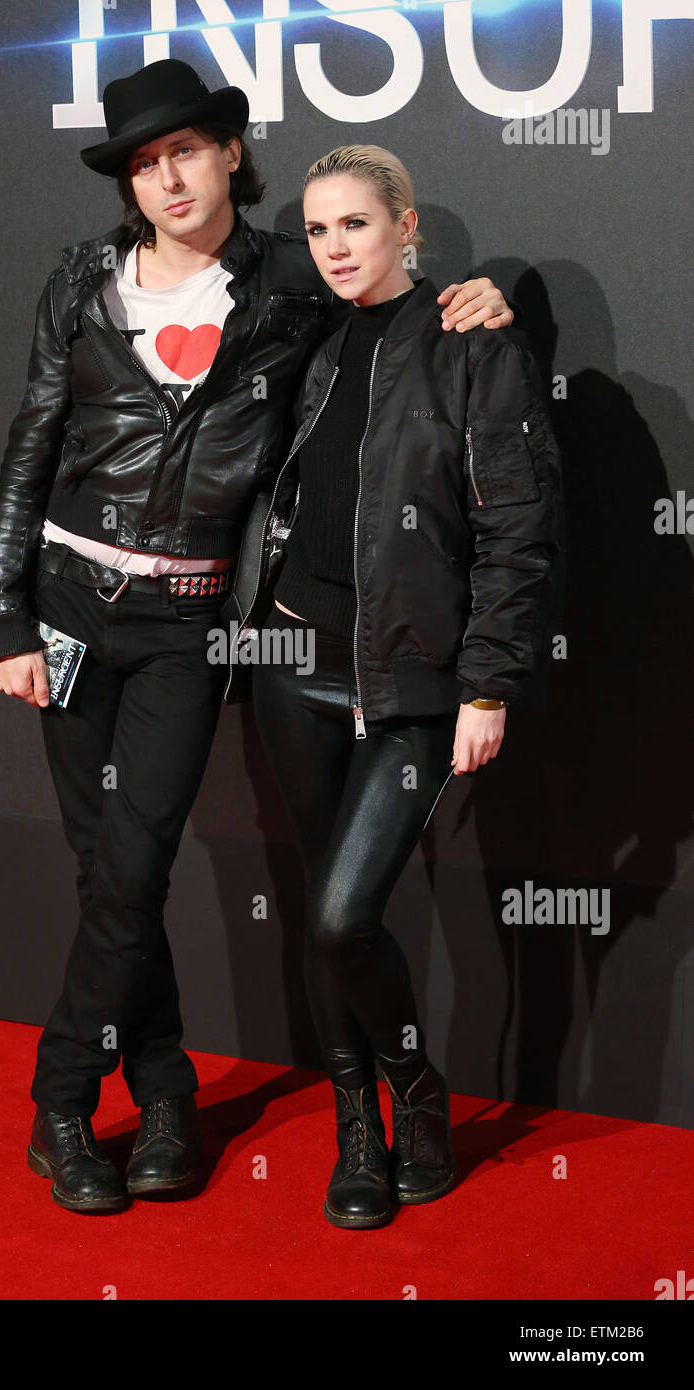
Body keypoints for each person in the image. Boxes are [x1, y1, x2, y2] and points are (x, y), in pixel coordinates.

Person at [0, 58, 513, 1215]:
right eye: (140, 163)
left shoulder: (287, 279)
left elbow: (390, 305)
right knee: (104, 876)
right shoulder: (81, 279)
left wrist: (470, 295)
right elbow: (30, 443)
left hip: (184, 624)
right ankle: (163, 1091)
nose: (164, 178)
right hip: (68, 609)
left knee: (133, 867)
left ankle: (60, 1099)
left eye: (183, 151)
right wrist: (4, 612)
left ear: (228, 152)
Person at [226, 145, 564, 1228]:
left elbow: (517, 529)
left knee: (338, 919)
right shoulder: (311, 331)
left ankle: (414, 1088)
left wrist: (488, 684)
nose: (332, 247)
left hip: (408, 684)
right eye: (317, 229)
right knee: (327, 909)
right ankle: (356, 1127)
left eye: (356, 227)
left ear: (404, 226)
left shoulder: (471, 341)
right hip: (290, 663)